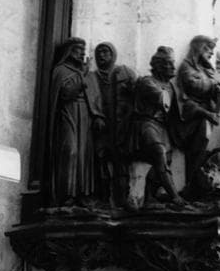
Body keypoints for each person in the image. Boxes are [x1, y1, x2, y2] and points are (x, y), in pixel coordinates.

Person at [48, 37, 104, 207]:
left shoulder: (87, 73)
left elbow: (95, 97)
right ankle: (66, 194)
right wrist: (82, 77)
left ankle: (82, 194)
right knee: (70, 150)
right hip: (69, 113)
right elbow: (66, 94)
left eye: (83, 49)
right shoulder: (61, 71)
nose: (82, 53)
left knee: (84, 154)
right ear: (69, 51)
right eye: (79, 49)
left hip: (85, 116)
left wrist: (98, 116)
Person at [128, 46, 184, 206]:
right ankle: (175, 196)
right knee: (159, 152)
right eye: (169, 63)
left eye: (173, 63)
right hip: (147, 124)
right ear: (159, 66)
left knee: (165, 159)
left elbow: (178, 112)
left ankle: (150, 197)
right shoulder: (147, 82)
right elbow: (161, 98)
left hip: (162, 127)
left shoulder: (171, 87)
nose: (173, 67)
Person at [93, 42, 136, 205]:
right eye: (98, 52)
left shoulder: (125, 72)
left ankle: (122, 199)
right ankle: (103, 199)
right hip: (102, 126)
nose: (101, 55)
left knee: (121, 164)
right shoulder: (92, 77)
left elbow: (136, 95)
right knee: (100, 161)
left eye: (105, 52)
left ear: (113, 54)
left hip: (121, 126)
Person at [177, 35, 220, 179]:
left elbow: (213, 90)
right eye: (208, 49)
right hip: (192, 116)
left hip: (207, 114)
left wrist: (216, 85)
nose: (212, 53)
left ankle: (204, 180)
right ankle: (194, 181)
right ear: (199, 48)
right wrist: (213, 83)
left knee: (212, 148)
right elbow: (194, 86)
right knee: (202, 141)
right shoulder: (186, 66)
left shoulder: (206, 70)